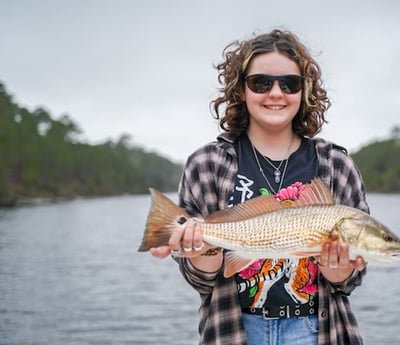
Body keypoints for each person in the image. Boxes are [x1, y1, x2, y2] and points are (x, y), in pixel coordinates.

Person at [150, 29, 370, 345]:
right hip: (235, 331)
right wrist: (202, 249)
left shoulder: (336, 164)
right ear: (241, 89)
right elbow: (202, 278)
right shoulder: (206, 164)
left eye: (289, 83)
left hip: (316, 331)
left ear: (304, 91)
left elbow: (350, 280)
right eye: (261, 83)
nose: (276, 93)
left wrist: (340, 269)